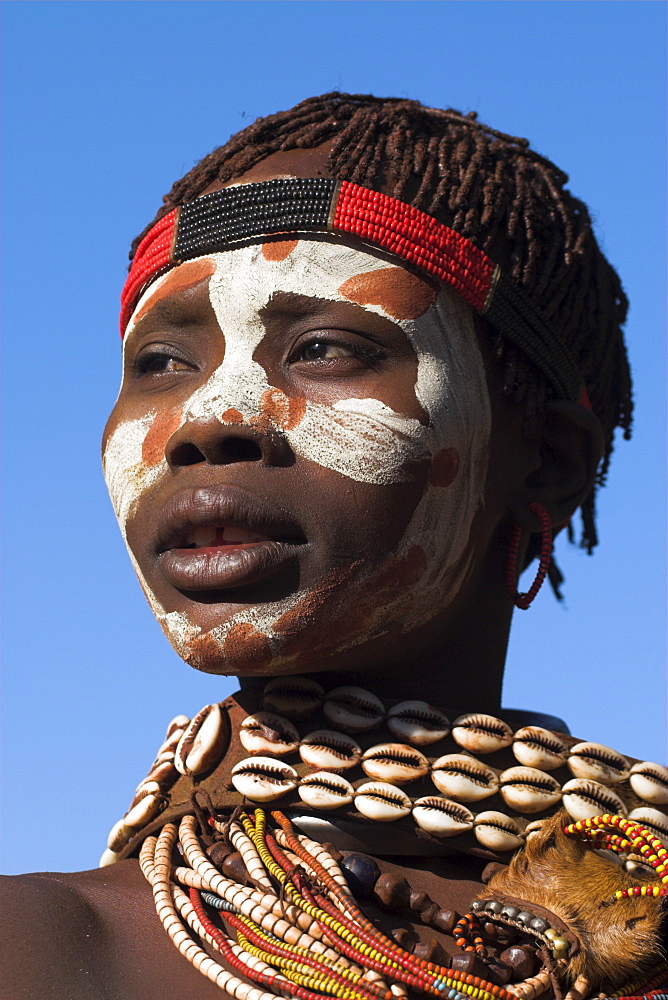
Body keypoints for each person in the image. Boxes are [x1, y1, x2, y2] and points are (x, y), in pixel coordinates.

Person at [2, 93, 666, 999]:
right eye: (160, 363)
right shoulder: (43, 953)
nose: (208, 419)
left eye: (323, 347)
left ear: (545, 460)